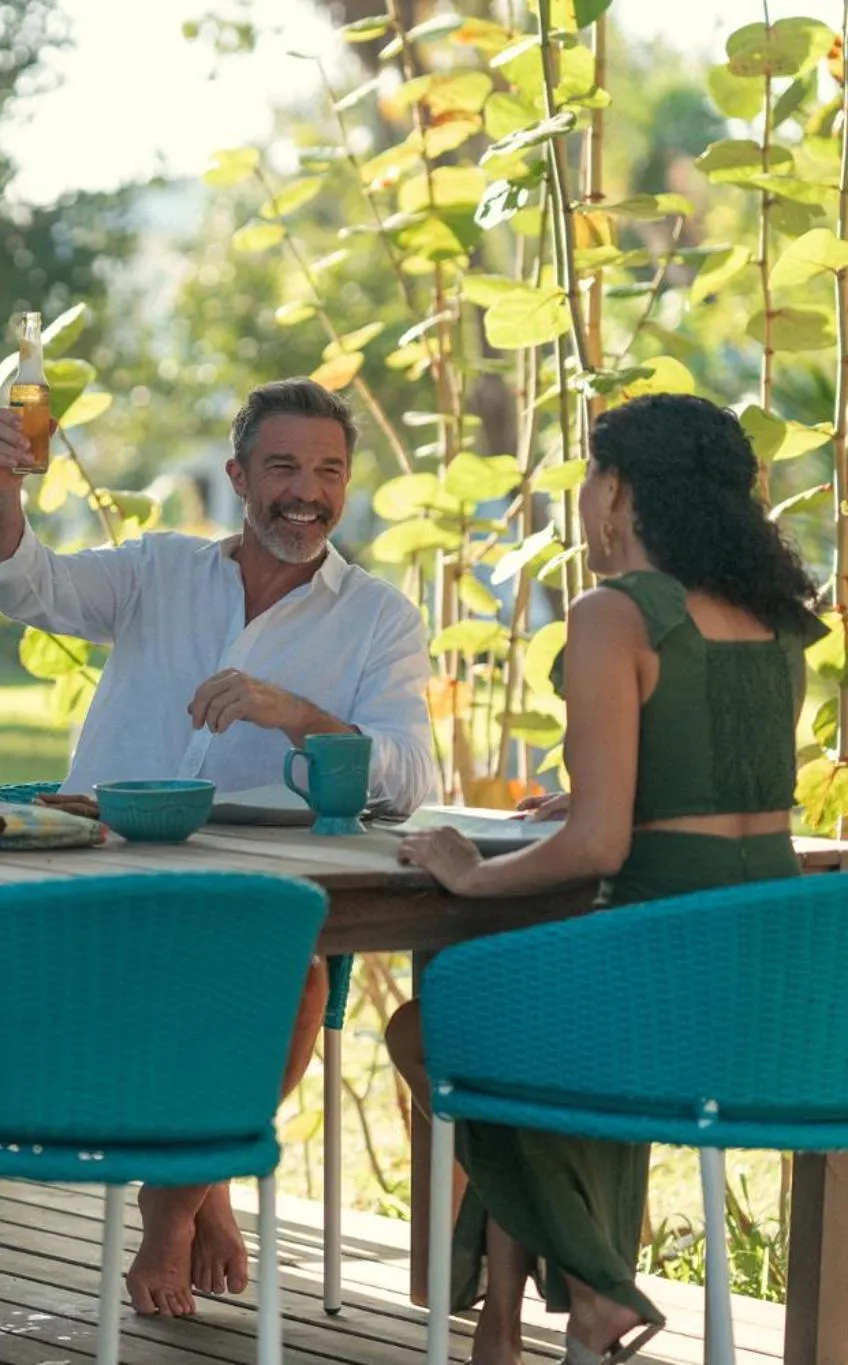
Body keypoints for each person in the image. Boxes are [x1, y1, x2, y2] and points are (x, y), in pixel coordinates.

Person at [0, 376, 438, 1318]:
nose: (306, 491)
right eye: (282, 468)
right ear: (236, 474)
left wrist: (295, 713)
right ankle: (205, 1189)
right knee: (228, 988)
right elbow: (26, 583)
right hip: (106, 879)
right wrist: (1, 491)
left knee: (298, 975)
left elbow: (408, 780)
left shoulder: (380, 615)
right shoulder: (160, 570)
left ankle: (171, 1204)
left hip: (255, 886)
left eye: (328, 470)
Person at [392, 392, 825, 1365]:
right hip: (763, 990)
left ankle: (595, 1287)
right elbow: (716, 795)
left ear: (617, 492)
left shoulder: (611, 614)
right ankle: (501, 1333)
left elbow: (596, 851)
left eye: (589, 477)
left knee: (432, 1028)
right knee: (509, 1037)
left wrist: (464, 874)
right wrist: (603, 790)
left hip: (655, 971)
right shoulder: (776, 623)